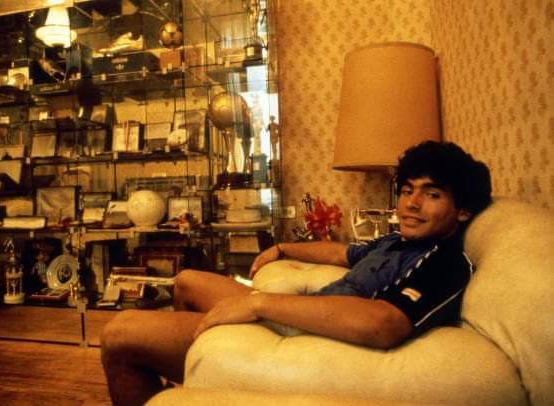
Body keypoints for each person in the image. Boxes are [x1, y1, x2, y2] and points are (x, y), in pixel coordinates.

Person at [100, 141, 492, 406]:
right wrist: (283, 248)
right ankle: (193, 375)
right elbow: (342, 252)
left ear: (463, 210)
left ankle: (187, 363)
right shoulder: (398, 242)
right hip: (300, 312)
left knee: (119, 335)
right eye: (407, 190)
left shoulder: (446, 262)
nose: (412, 204)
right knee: (188, 280)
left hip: (305, 332)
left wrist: (261, 304)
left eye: (432, 194)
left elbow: (384, 323)